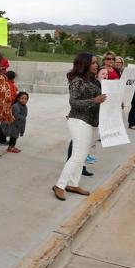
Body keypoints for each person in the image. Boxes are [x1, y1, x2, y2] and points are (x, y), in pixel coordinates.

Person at [52, 53, 106, 201]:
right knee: (77, 155)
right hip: (79, 120)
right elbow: (74, 102)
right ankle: (60, 185)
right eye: (93, 63)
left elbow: (102, 100)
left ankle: (73, 184)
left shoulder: (96, 81)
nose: (97, 65)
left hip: (93, 121)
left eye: (97, 63)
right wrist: (95, 100)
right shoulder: (77, 81)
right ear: (85, 64)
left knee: (82, 155)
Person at [0, 70, 18, 145]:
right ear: (13, 78)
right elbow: (12, 96)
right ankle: (2, 139)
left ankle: (1, 138)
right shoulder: (10, 85)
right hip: (9, 106)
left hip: (6, 106)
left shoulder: (6, 84)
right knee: (5, 123)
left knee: (4, 123)